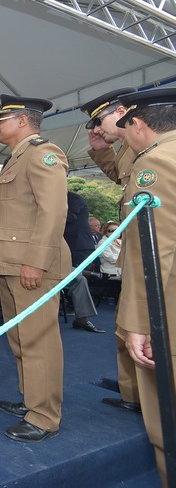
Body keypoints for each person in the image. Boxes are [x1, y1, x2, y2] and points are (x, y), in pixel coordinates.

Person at [0, 94, 70, 443]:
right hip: (12, 265)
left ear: (21, 121)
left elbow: (53, 211)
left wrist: (36, 261)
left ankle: (44, 416)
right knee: (20, 338)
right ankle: (31, 399)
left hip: (31, 266)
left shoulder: (44, 154)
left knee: (38, 342)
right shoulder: (17, 157)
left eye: (1, 120)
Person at [115, 86, 176, 486]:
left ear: (138, 124)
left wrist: (140, 324)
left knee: (165, 425)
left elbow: (152, 251)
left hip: (168, 313)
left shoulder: (155, 163)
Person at [80, 87, 141, 413]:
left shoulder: (149, 144)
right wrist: (101, 149)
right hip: (133, 253)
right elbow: (121, 177)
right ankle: (134, 394)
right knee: (126, 326)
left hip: (150, 254)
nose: (96, 130)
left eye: (98, 121)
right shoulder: (129, 147)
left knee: (143, 327)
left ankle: (151, 399)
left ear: (121, 112)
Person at [63, 191, 104, 333]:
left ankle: (81, 317)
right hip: (60, 248)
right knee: (77, 275)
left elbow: (69, 217)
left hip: (75, 246)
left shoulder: (74, 198)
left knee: (78, 279)